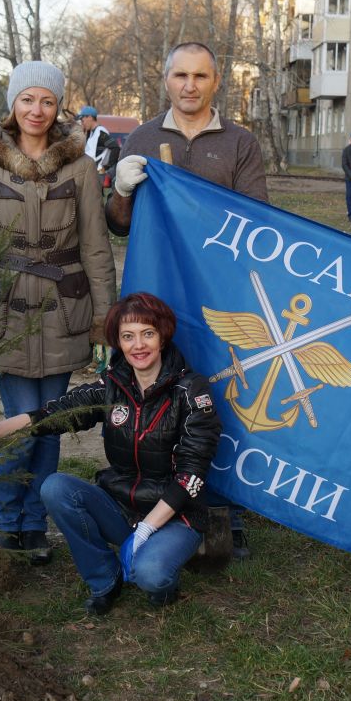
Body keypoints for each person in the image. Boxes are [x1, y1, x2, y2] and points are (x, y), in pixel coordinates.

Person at [0, 293, 221, 615]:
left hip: (175, 515)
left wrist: (146, 528)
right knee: (55, 487)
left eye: (148, 333)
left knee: (149, 575)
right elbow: (54, 413)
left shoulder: (191, 391)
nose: (138, 345)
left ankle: (162, 580)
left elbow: (192, 476)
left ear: (162, 336)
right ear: (118, 342)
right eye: (127, 337)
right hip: (121, 506)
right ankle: (105, 579)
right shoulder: (113, 384)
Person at [106, 41, 266, 560]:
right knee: (159, 399)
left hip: (223, 294)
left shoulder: (240, 142)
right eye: (180, 75)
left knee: (223, 393)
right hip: (160, 296)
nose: (189, 85)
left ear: (216, 81)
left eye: (200, 76)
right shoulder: (143, 138)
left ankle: (228, 514)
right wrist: (122, 189)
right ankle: (154, 503)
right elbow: (117, 224)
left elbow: (256, 219)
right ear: (166, 79)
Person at [0, 60, 117, 565]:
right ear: (13, 104)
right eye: (27, 99)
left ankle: (35, 525)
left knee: (50, 425)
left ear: (58, 105)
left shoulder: (80, 166)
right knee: (19, 425)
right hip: (6, 313)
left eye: (47, 100)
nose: (37, 110)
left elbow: (96, 247)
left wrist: (104, 321)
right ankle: (9, 521)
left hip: (65, 310)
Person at [77, 105, 117, 180]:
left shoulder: (100, 132)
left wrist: (106, 167)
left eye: (83, 120)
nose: (83, 123)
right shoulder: (91, 133)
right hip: (90, 174)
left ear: (90, 117)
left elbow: (115, 148)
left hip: (98, 175)